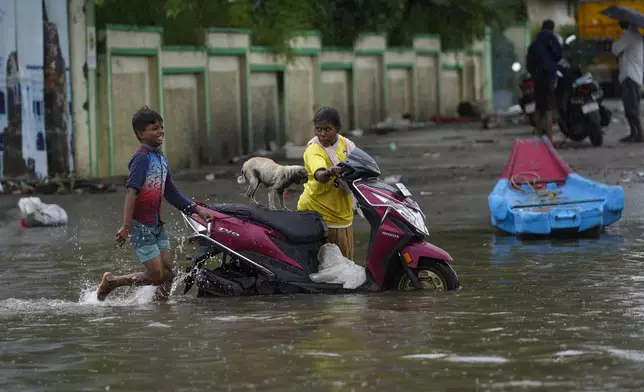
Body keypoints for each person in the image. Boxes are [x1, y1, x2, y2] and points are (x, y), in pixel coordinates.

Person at [96, 106, 212, 301]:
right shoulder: (141, 158)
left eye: (161, 127)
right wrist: (126, 226)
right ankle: (113, 282)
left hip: (157, 225)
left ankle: (159, 312)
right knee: (157, 275)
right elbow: (131, 193)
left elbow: (172, 193)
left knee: (169, 274)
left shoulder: (161, 159)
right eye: (154, 128)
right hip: (140, 226)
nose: (160, 131)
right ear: (140, 134)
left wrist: (197, 209)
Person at [297, 107, 356, 260]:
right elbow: (319, 174)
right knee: (330, 266)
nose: (322, 134)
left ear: (338, 129)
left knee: (344, 263)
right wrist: (329, 172)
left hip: (342, 213)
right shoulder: (314, 149)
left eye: (327, 129)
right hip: (320, 214)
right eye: (318, 129)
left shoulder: (346, 144)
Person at [527, 19, 563, 141]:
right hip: (549, 76)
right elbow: (558, 55)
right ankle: (549, 138)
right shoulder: (552, 40)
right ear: (552, 28)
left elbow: (529, 62)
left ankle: (539, 134)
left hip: (537, 77)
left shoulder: (535, 43)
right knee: (548, 107)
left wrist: (533, 73)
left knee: (539, 106)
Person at [612, 21, 644, 143]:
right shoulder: (637, 37)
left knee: (631, 107)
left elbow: (615, 49)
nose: (619, 23)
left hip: (630, 76)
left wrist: (615, 42)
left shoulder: (629, 36)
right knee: (631, 106)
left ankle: (639, 134)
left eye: (622, 22)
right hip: (634, 76)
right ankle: (634, 133)